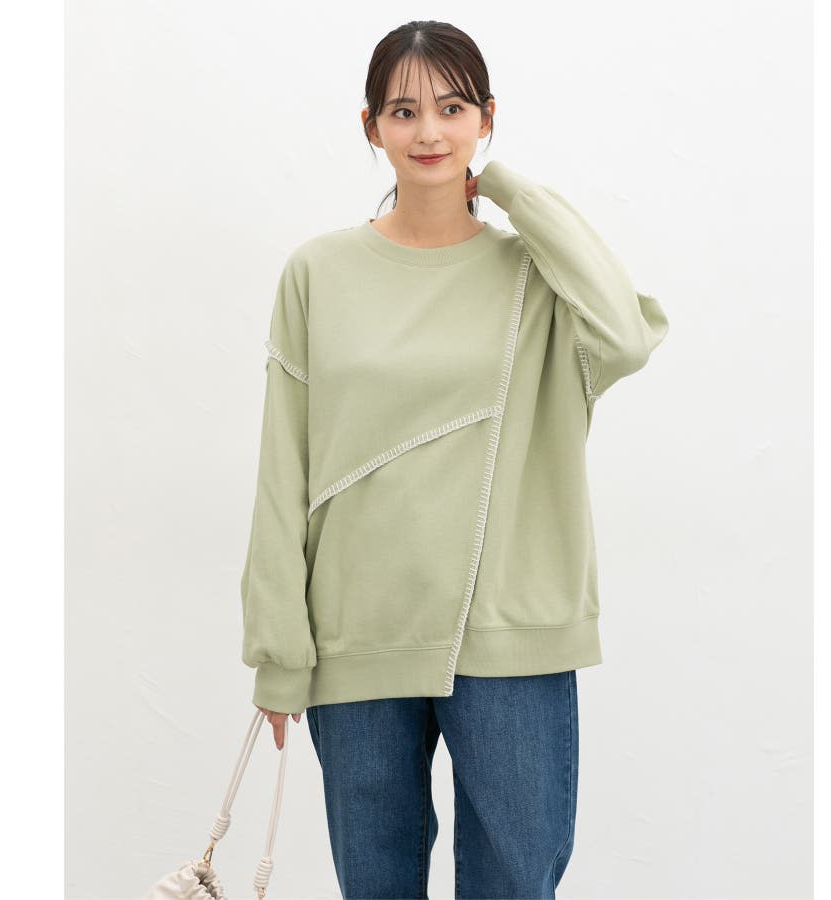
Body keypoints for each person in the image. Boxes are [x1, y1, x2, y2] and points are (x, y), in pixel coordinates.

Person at [241, 19, 669, 900]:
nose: (429, 131)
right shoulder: (317, 272)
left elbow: (627, 337)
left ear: (486, 119)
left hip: (511, 635)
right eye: (403, 111)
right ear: (371, 127)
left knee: (517, 885)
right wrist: (280, 649)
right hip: (356, 633)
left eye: (452, 108)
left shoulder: (535, 276)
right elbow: (283, 467)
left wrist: (507, 189)